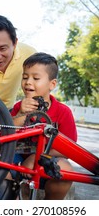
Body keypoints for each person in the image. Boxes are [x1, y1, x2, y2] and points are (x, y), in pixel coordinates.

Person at [10, 52, 77, 200]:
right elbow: (6, 134)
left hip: (46, 164)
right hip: (17, 161)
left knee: (65, 169)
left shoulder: (63, 112)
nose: (28, 82)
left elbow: (68, 149)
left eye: (36, 78)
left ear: (52, 84)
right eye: (25, 77)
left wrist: (35, 158)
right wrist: (21, 113)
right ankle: (11, 194)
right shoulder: (18, 107)